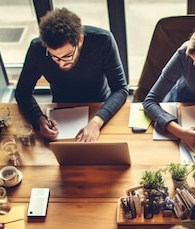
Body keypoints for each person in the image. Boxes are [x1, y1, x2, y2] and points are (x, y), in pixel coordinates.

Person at [15, 7, 128, 142]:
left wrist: (97, 122)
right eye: (55, 57)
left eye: (67, 56)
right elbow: (22, 92)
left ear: (80, 40)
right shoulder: (37, 49)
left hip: (99, 106)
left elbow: (120, 89)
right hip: (60, 110)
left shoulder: (103, 41)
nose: (61, 64)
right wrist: (39, 119)